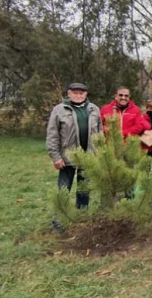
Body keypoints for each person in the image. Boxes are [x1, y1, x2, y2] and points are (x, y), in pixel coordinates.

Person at [46, 83, 103, 217]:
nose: (78, 96)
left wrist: (100, 153)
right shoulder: (59, 110)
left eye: (81, 93)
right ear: (69, 93)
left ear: (86, 94)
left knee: (84, 191)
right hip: (67, 158)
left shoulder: (94, 109)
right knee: (64, 190)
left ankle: (81, 218)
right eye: (75, 93)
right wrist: (55, 157)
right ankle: (59, 221)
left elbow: (100, 133)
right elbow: (52, 135)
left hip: (88, 157)